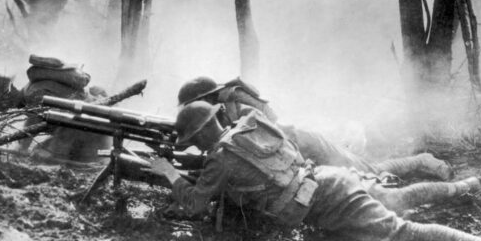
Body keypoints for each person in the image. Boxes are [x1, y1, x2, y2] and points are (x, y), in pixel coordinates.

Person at [147, 102, 481, 241]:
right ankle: (466, 186)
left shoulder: (220, 160)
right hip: (328, 179)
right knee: (400, 198)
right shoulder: (249, 123)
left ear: (197, 137)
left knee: (399, 234)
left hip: (325, 200)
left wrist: (169, 173)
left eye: (193, 141)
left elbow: (194, 203)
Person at [176, 76, 453, 181]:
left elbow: (270, 128)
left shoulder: (235, 101)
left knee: (369, 170)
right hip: (295, 154)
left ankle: (423, 160)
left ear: (206, 99)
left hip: (303, 143)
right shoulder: (221, 112)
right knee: (361, 174)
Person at [0, 56, 109, 160]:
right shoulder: (29, 93)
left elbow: (32, 123)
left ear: (5, 96)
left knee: (46, 159)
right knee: (39, 152)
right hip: (83, 127)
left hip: (94, 129)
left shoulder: (33, 94)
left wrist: (21, 149)